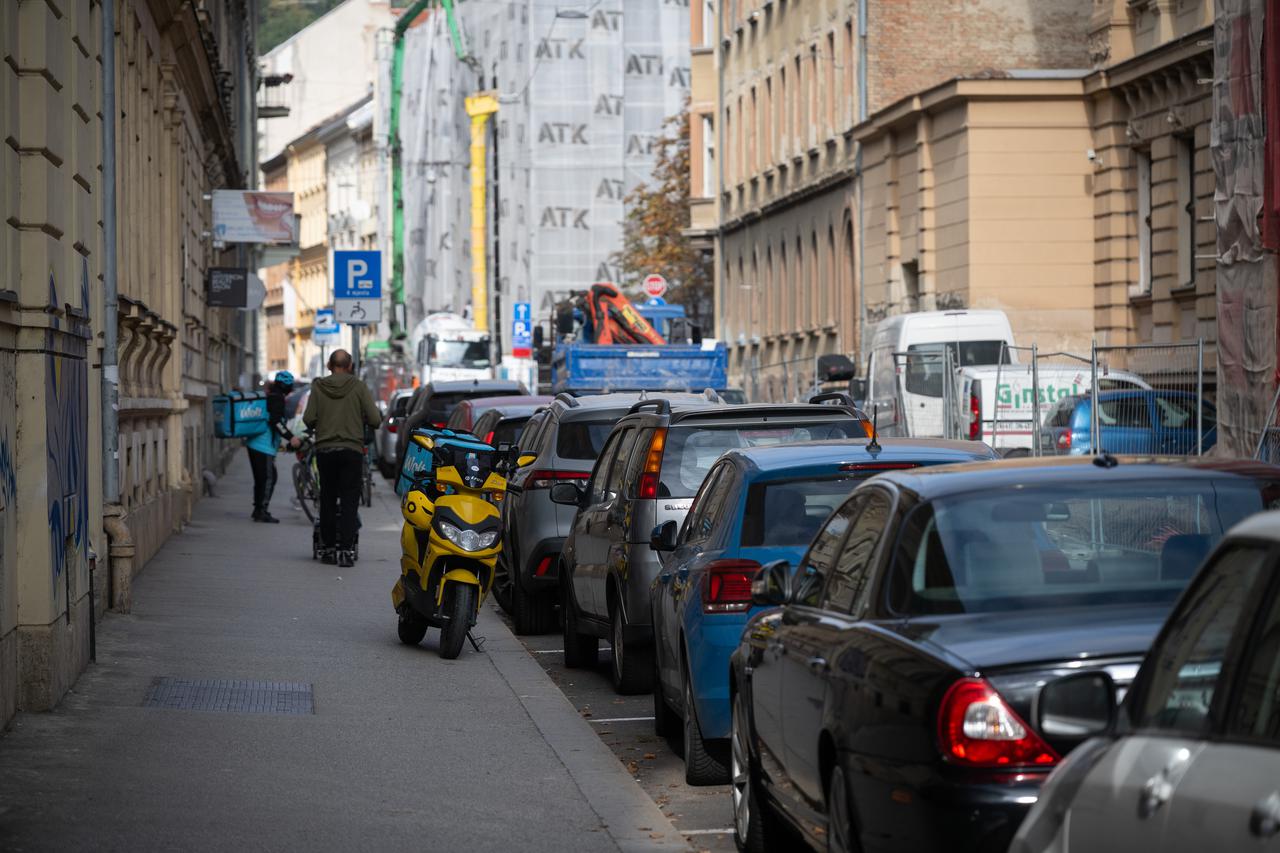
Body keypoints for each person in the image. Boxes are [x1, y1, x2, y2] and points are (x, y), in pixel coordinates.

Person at [303, 350, 381, 567]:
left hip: (326, 450)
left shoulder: (318, 386)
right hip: (351, 451)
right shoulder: (358, 386)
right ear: (350, 365)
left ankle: (328, 550)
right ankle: (346, 552)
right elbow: (375, 419)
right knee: (349, 502)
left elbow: (308, 418)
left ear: (329, 365)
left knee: (327, 499)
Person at [245, 371, 297, 523]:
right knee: (269, 478)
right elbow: (276, 421)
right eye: (289, 386)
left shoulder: (270, 395)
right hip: (263, 445)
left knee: (261, 479)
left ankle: (257, 509)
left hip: (254, 442)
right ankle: (262, 511)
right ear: (285, 386)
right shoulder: (277, 399)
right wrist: (291, 438)